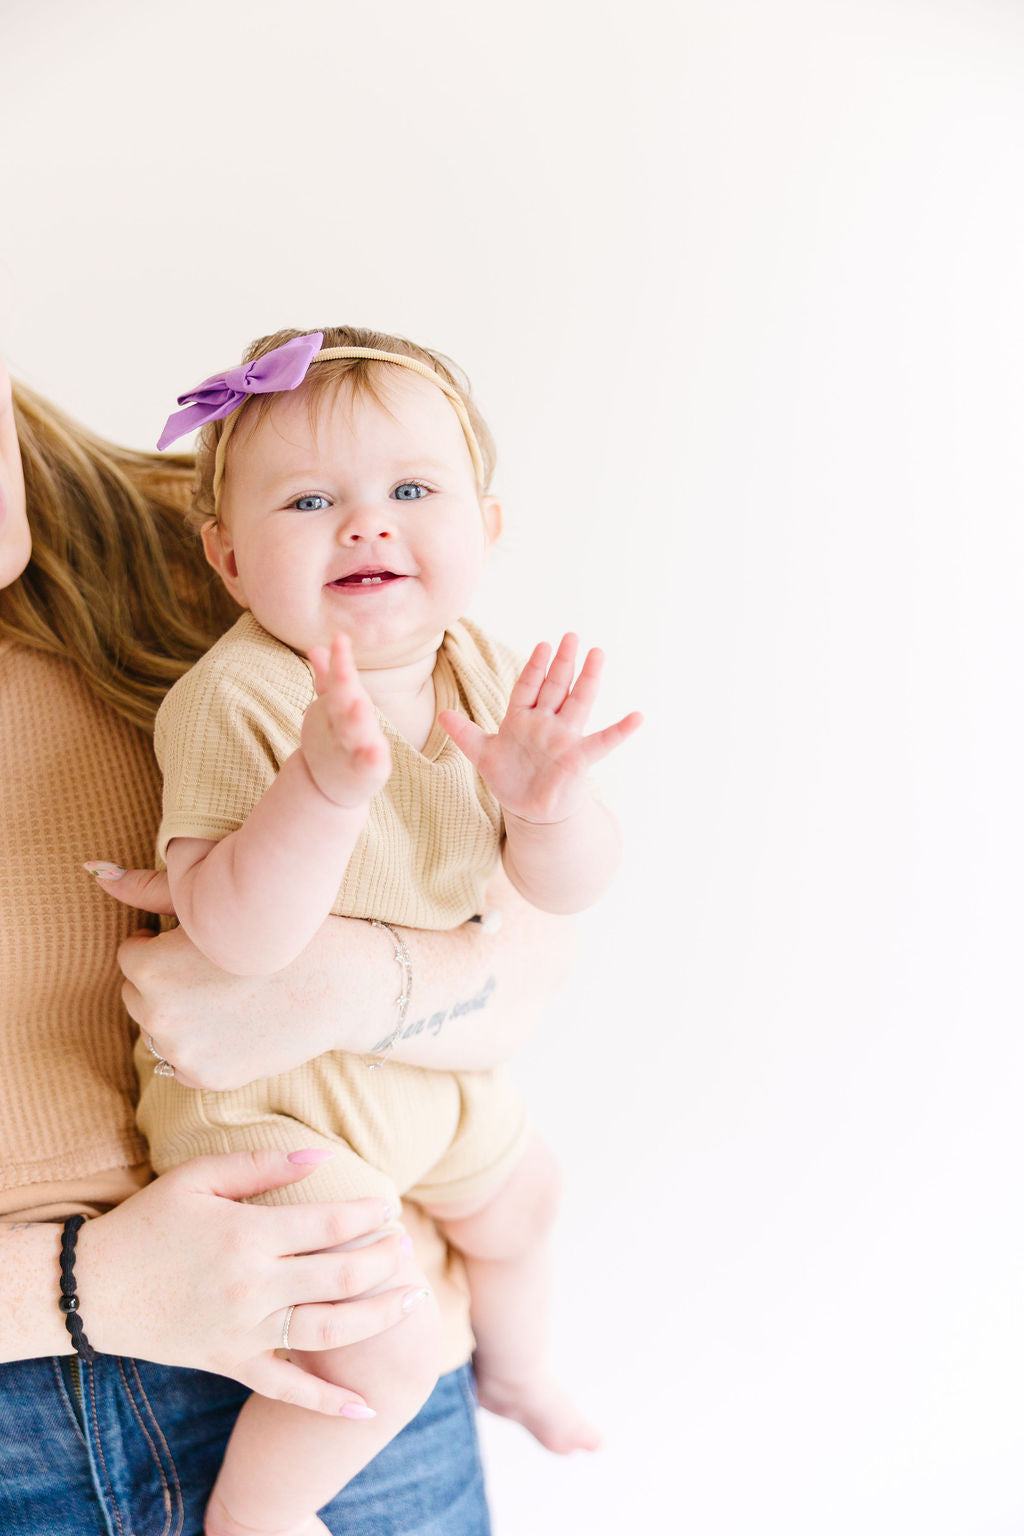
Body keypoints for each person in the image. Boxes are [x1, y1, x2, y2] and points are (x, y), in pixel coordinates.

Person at [0, 355, 575, 1536]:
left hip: (362, 1340)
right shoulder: (256, 610)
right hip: (51, 1402)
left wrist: (364, 983)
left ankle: (525, 1368)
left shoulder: (250, 524)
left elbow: (521, 930)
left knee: (522, 1203)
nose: (364, 519)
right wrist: (84, 1289)